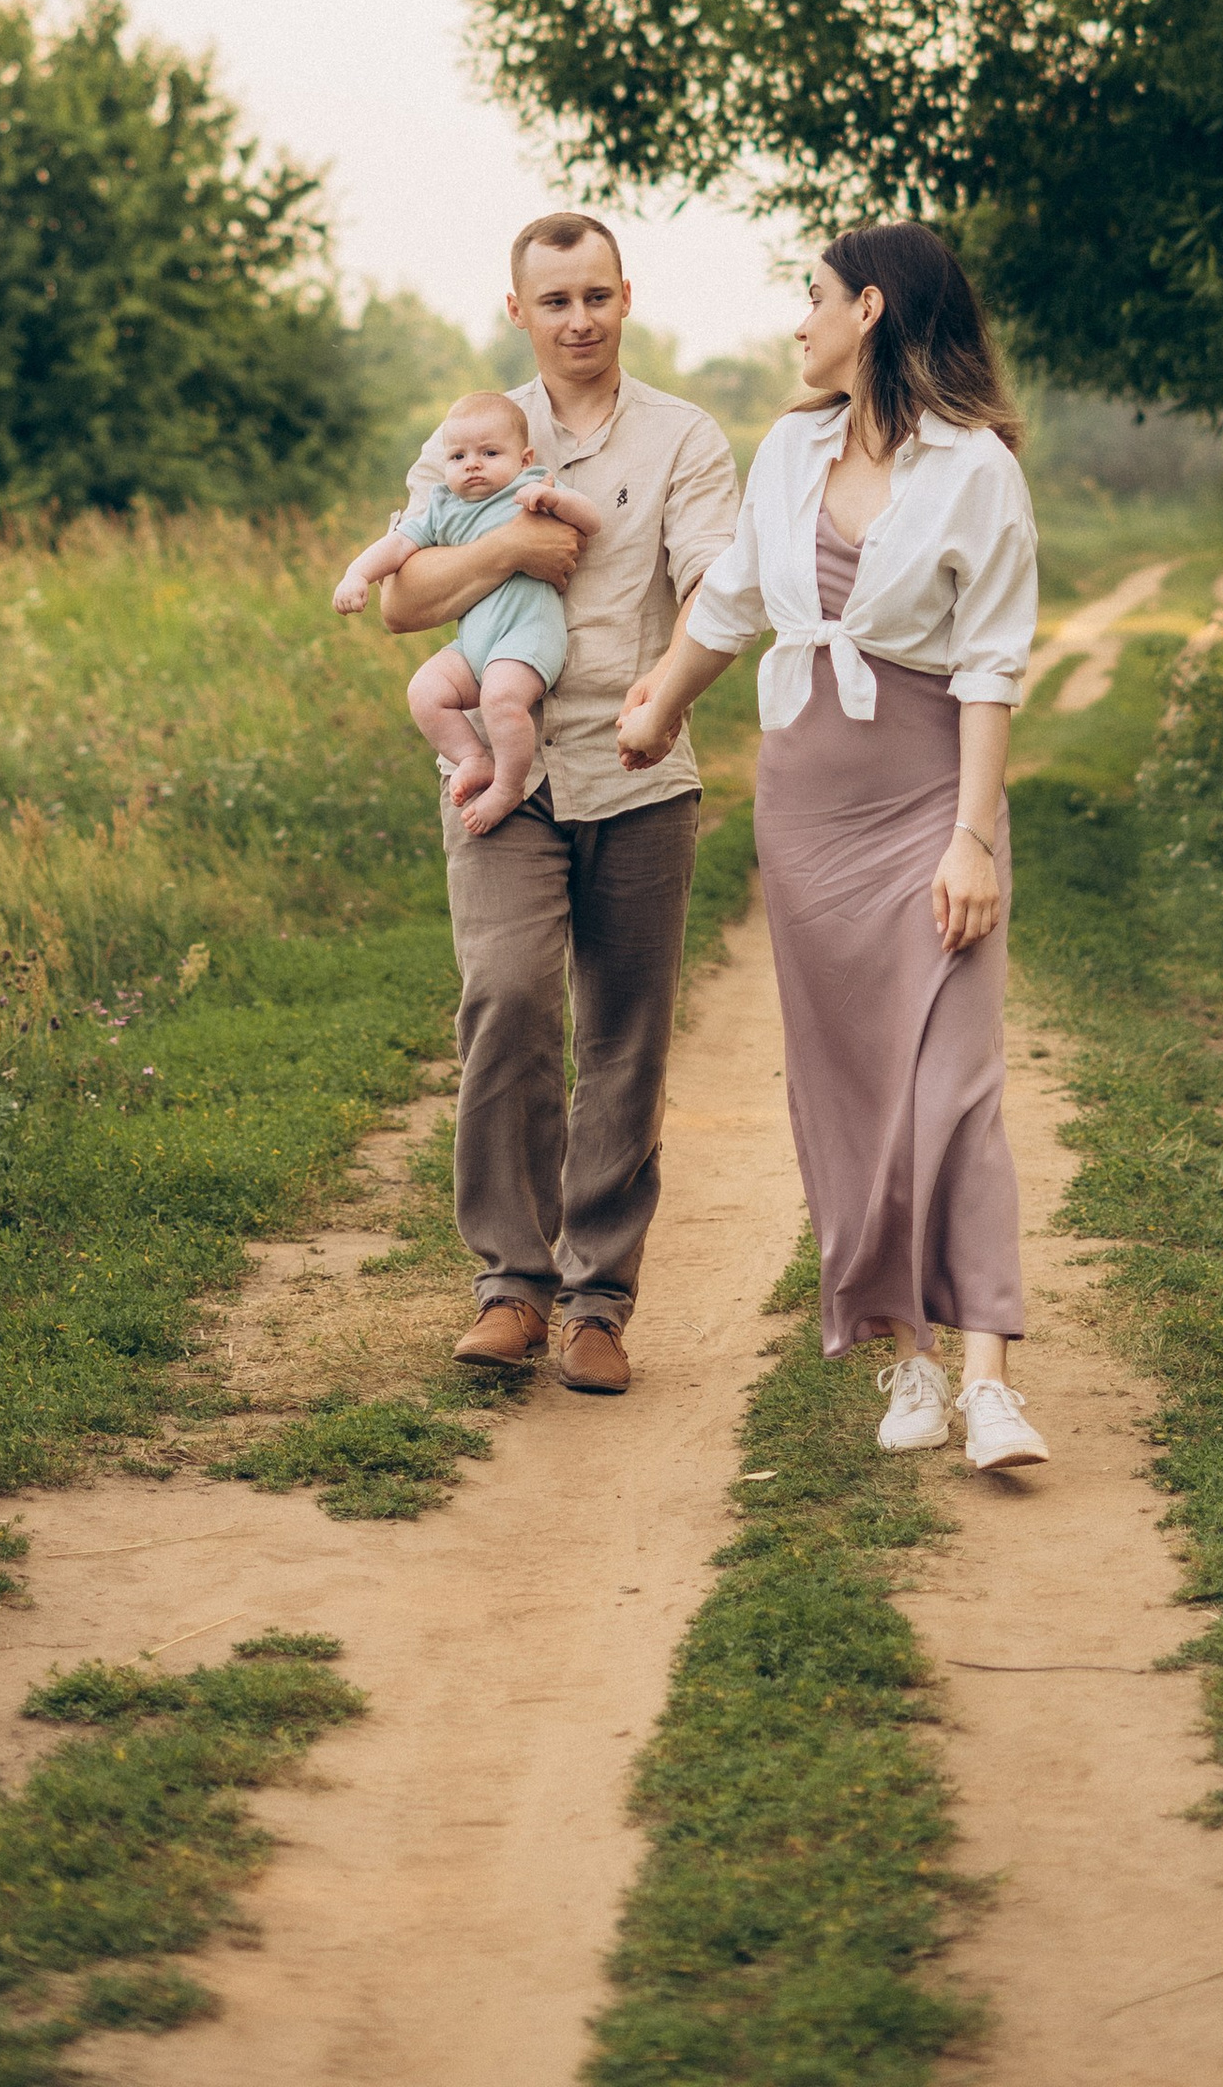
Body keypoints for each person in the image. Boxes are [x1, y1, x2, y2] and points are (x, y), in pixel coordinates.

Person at [615, 222, 1047, 1474]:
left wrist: (971, 840)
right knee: (853, 1090)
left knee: (954, 1085)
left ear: (869, 310)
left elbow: (991, 664)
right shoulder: (791, 450)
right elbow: (734, 602)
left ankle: (990, 1382)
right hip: (807, 809)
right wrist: (659, 704)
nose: (795, 322)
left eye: (811, 298)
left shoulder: (975, 468)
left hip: (930, 798)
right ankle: (909, 1358)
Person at [372, 215, 741, 1397]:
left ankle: (596, 1306)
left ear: (625, 297)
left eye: (595, 296)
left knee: (625, 1038)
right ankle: (511, 1288)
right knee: (509, 999)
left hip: (637, 775)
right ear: (518, 311)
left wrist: (670, 694)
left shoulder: (683, 437)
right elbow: (402, 599)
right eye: (554, 300)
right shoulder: (473, 435)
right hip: (501, 774)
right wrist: (509, 551)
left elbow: (716, 587)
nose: (577, 320)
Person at [332, 393, 602, 831]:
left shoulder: (531, 487)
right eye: (458, 456)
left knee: (500, 697)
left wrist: (555, 501)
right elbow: (397, 546)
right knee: (425, 691)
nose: (472, 465)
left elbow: (591, 520)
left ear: (524, 458)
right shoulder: (443, 507)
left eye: (489, 454)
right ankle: (474, 757)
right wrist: (356, 575)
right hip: (474, 645)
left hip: (527, 635)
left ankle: (508, 786)